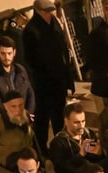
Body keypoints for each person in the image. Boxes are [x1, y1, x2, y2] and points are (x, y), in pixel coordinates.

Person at [23, 0, 74, 150]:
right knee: (42, 118)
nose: (50, 14)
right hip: (43, 83)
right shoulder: (31, 31)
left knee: (59, 115)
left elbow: (64, 51)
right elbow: (31, 61)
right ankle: (41, 149)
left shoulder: (54, 24)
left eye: (50, 11)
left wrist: (68, 78)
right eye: (46, 11)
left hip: (58, 80)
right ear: (38, 11)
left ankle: (61, 146)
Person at [0, 89, 39, 168]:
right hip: (7, 167)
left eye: (21, 105)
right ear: (5, 107)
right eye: (13, 106)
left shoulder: (25, 117)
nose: (18, 110)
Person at [49, 103, 104, 173]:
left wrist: (100, 153)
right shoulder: (59, 143)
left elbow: (98, 161)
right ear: (66, 121)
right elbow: (61, 169)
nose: (81, 126)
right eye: (76, 122)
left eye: (83, 121)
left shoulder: (89, 134)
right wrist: (80, 155)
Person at [0, 36, 36, 117]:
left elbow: (30, 93)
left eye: (9, 53)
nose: (6, 57)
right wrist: (14, 117)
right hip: (4, 121)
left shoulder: (21, 70)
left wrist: (28, 114)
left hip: (25, 119)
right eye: (3, 53)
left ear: (14, 52)